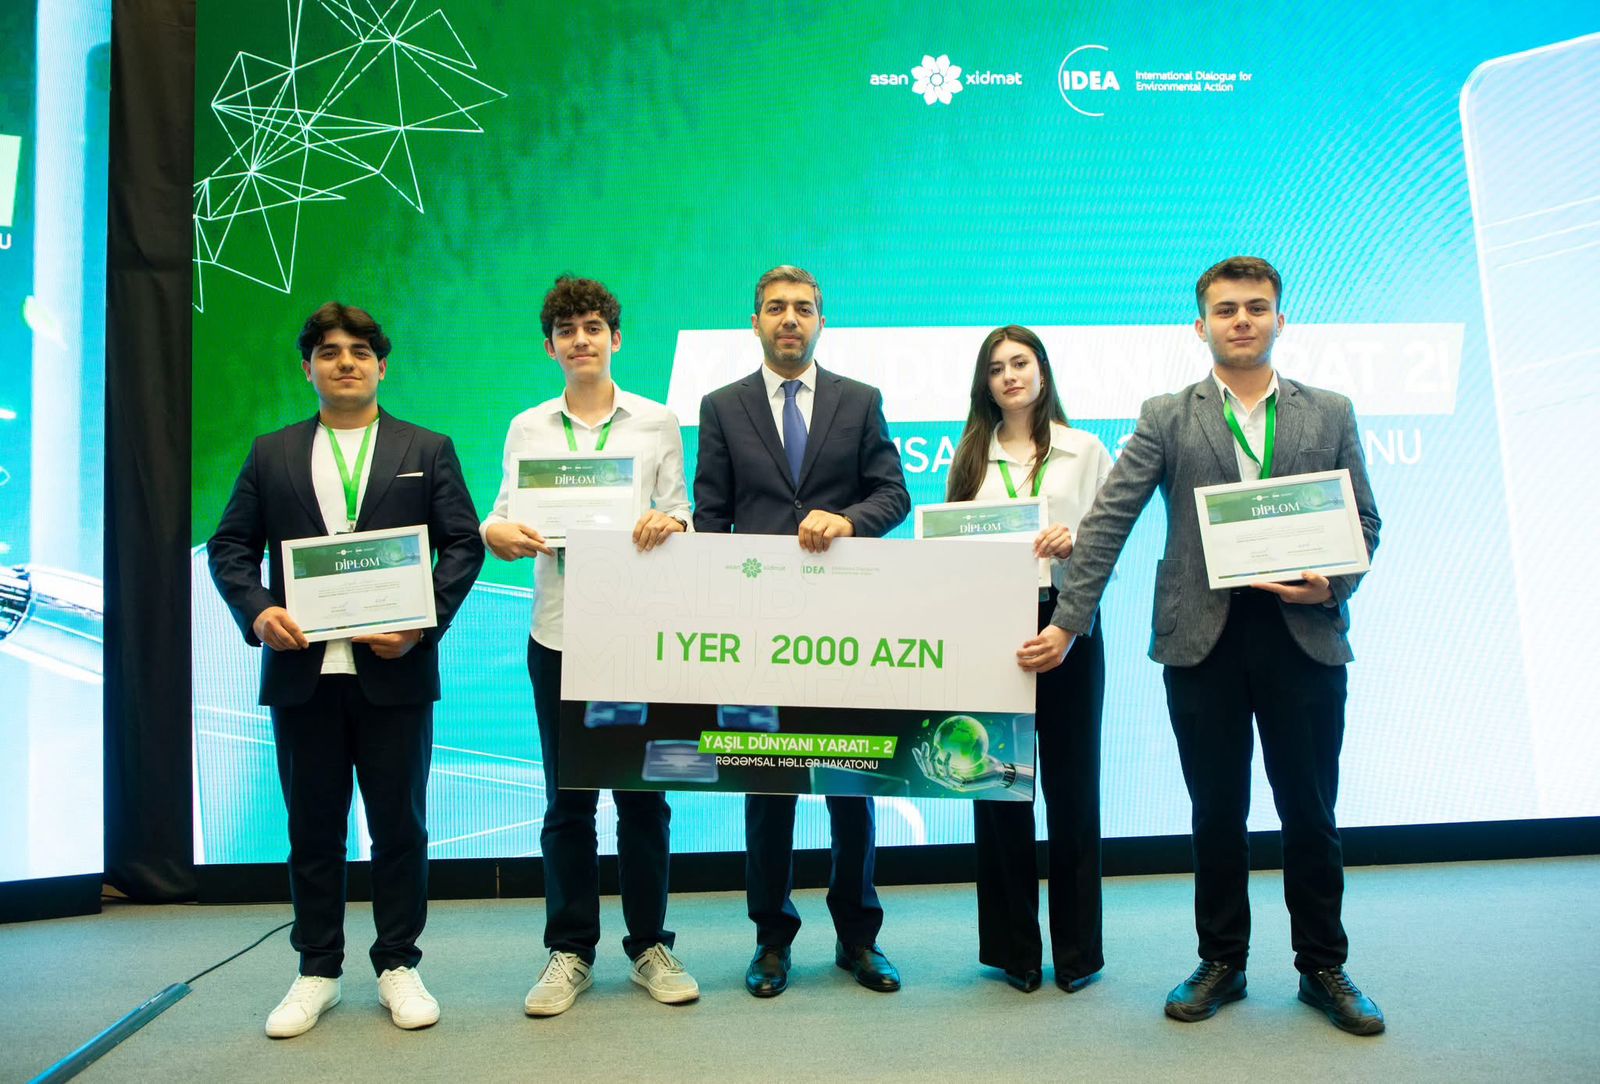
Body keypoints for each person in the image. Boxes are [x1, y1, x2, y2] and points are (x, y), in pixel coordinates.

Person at [1020, 257, 1384, 1034]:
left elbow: (1364, 522)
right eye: (1226, 309)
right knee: (1216, 811)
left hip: (1303, 638)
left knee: (1310, 811)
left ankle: (1324, 966)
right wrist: (1067, 623)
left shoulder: (1329, 411)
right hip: (1201, 642)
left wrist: (1332, 586)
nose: (1241, 320)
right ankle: (1222, 960)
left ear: (1280, 319)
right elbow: (1108, 522)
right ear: (1201, 325)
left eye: (1256, 307)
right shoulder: (1165, 416)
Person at [207, 302, 484, 1037]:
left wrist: (422, 623)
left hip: (395, 672)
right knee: (313, 829)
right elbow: (229, 548)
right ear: (308, 369)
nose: (346, 362)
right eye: (329, 352)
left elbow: (463, 544)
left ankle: (398, 964)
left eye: (360, 351)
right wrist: (258, 611)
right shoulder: (271, 454)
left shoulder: (428, 447)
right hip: (303, 675)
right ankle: (317, 969)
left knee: (400, 828)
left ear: (381, 366)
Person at [480, 276, 698, 1016]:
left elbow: (682, 512)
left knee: (643, 797)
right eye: (567, 330)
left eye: (593, 327)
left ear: (615, 338)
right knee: (567, 803)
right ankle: (570, 949)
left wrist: (672, 524)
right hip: (559, 634)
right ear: (551, 347)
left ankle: (650, 946)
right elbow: (501, 517)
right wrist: (497, 533)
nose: (581, 340)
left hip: (638, 636)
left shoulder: (657, 422)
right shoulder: (528, 428)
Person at [694, 265, 911, 997]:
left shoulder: (860, 400)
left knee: (853, 783)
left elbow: (894, 494)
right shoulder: (722, 407)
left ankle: (859, 937)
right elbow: (711, 516)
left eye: (803, 308)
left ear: (821, 321)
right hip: (759, 628)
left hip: (846, 627)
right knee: (768, 787)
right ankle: (771, 940)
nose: (790, 319)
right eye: (776, 308)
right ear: (755, 321)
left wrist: (847, 520)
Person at [942, 326, 1112, 994]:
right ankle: (1015, 951)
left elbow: (1108, 541)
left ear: (1043, 371)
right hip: (994, 633)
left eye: (1020, 363)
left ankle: (1077, 955)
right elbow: (950, 555)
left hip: (1069, 626)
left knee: (1074, 792)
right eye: (996, 368)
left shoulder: (1084, 450)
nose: (1009, 375)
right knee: (998, 789)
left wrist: (1075, 544)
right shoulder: (970, 455)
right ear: (985, 384)